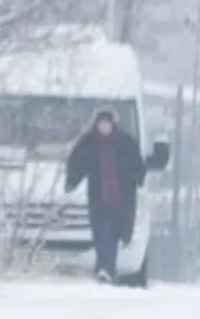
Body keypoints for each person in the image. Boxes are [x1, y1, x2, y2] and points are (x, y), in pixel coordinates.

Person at [64, 109, 146, 283]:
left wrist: (139, 178)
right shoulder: (88, 143)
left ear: (113, 125)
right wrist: (72, 181)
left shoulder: (125, 143)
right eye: (101, 124)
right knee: (102, 234)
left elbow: (137, 163)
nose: (104, 127)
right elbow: (77, 163)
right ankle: (104, 268)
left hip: (121, 199)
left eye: (107, 124)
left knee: (114, 235)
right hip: (98, 198)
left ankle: (107, 268)